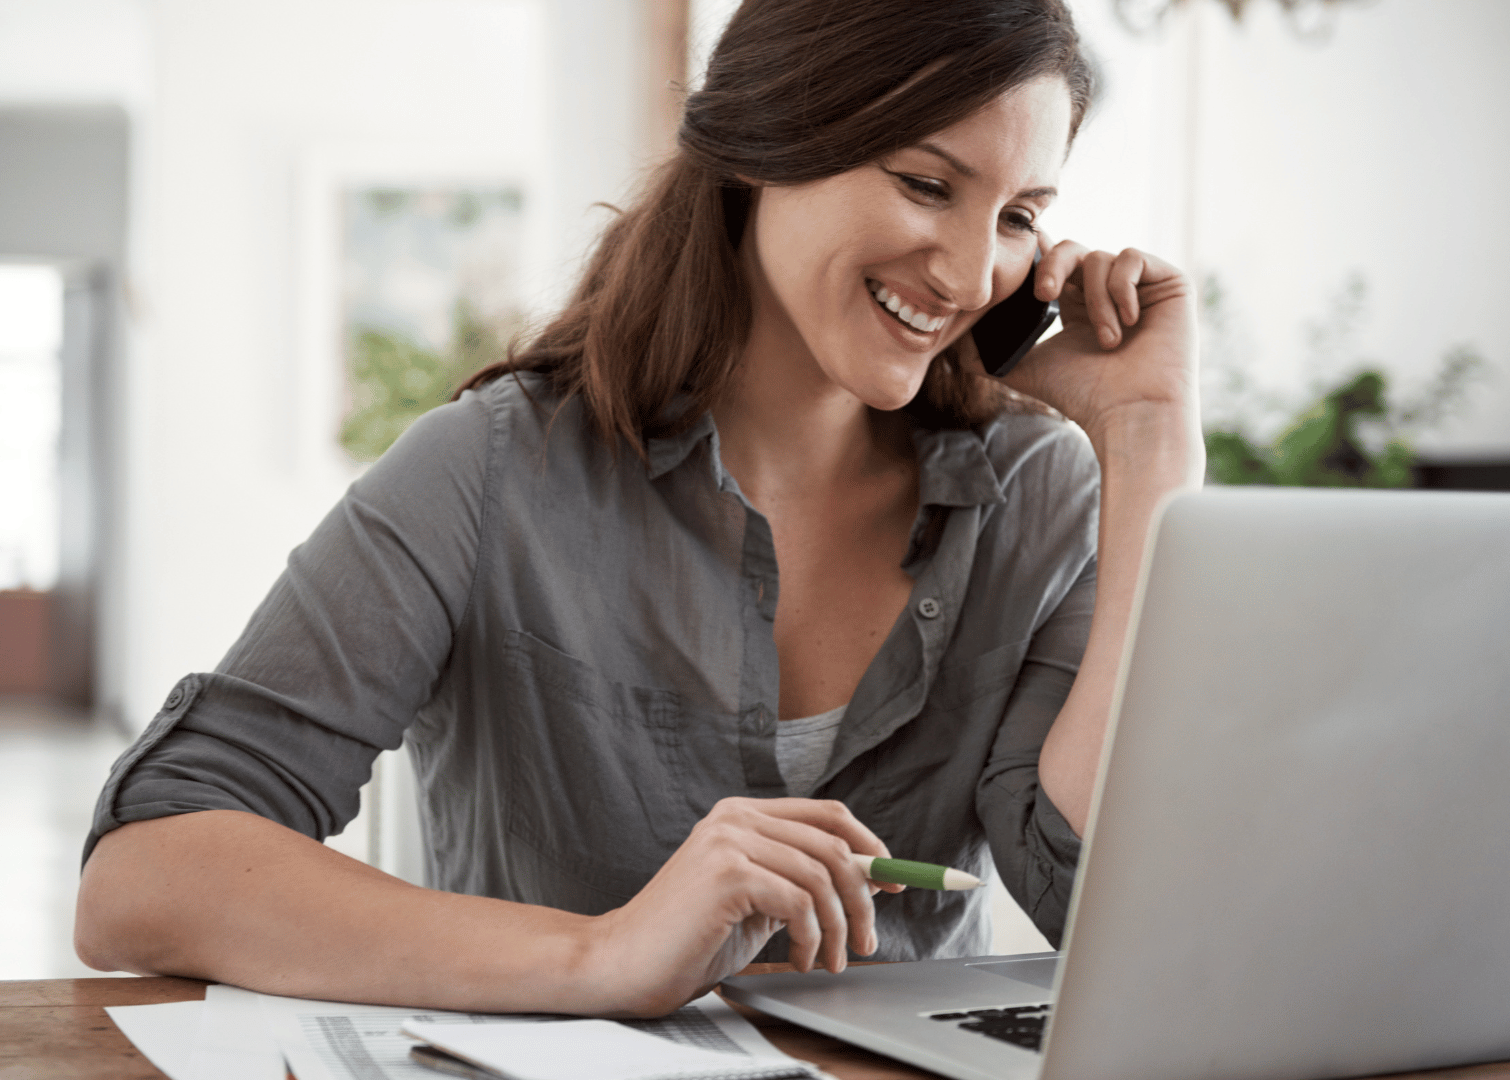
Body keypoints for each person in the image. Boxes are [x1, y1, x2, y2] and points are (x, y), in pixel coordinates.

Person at [75, 0, 1201, 1018]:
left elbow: (1104, 900)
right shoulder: (491, 469)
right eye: (924, 183)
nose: (967, 272)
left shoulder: (1040, 494)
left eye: (1019, 215)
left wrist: (1149, 440)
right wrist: (602, 955)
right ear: (767, 142)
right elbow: (145, 875)